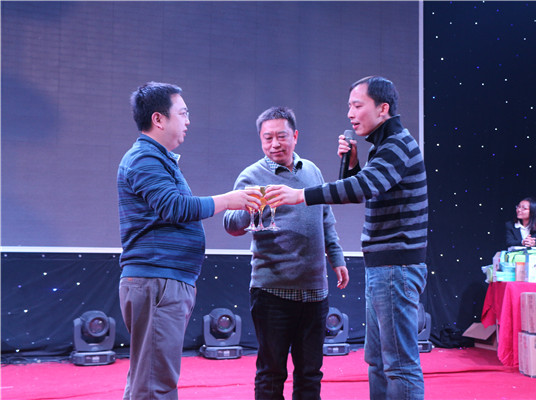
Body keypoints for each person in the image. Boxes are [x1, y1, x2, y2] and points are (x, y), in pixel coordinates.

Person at [265, 76, 428, 400]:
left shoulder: (397, 144)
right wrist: (352, 165)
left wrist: (301, 195)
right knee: (378, 361)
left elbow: (362, 188)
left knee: (398, 364)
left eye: (357, 105)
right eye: (349, 107)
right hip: (384, 268)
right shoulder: (383, 146)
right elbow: (365, 189)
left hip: (395, 269)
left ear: (382, 108)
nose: (350, 114)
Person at [117, 81, 260, 399]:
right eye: (183, 113)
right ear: (158, 119)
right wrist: (228, 200)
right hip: (158, 280)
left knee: (149, 379)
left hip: (163, 281)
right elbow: (175, 207)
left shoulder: (157, 158)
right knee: (155, 384)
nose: (188, 121)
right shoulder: (144, 158)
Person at [223, 106, 349, 400]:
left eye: (281, 136)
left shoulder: (313, 171)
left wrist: (337, 258)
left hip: (315, 292)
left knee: (310, 373)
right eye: (267, 138)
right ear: (261, 140)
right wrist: (250, 208)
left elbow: (326, 219)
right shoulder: (251, 175)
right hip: (272, 292)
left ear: (295, 136)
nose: (274, 144)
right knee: (271, 373)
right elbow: (230, 225)